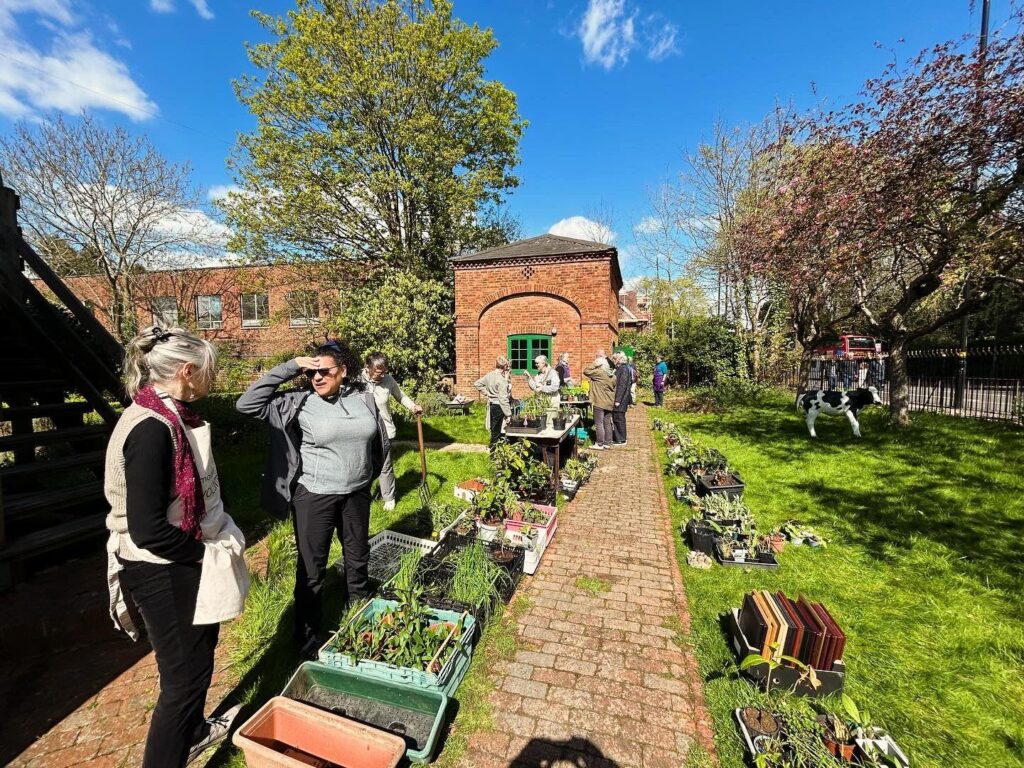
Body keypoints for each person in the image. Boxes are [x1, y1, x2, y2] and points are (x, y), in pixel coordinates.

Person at [105, 326, 247, 768]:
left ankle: (197, 731)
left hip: (180, 558)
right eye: (209, 370)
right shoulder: (149, 430)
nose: (214, 378)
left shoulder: (171, 414)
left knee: (200, 657)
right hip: (161, 569)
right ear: (187, 371)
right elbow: (147, 530)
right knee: (182, 681)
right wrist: (209, 558)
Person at [236, 341, 388, 658]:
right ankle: (306, 637)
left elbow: (378, 440)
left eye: (324, 371)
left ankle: (358, 614)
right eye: (311, 372)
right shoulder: (298, 401)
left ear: (343, 372)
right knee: (311, 569)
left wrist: (368, 475)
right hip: (315, 496)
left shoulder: (364, 398)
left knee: (358, 557)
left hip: (356, 494)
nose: (317, 377)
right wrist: (291, 365)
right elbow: (246, 405)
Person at [362, 352, 423, 512]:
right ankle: (362, 497)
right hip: (361, 432)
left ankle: (388, 498)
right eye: (378, 371)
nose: (382, 374)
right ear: (367, 367)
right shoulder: (357, 381)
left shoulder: (388, 380)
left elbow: (400, 396)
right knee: (363, 466)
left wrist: (412, 406)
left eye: (384, 371)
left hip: (385, 431)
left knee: (385, 465)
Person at [474, 356, 512, 446]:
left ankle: (496, 451)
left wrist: (487, 393)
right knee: (498, 432)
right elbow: (503, 399)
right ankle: (494, 454)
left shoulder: (489, 375)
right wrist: (508, 414)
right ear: (505, 367)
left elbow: (477, 384)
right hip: (499, 407)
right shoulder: (502, 380)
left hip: (492, 405)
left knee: (493, 430)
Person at [583, 354, 616, 450]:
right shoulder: (612, 375)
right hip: (609, 402)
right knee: (607, 422)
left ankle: (599, 443)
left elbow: (586, 371)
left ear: (600, 365)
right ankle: (608, 443)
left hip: (599, 401)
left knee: (599, 423)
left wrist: (594, 364)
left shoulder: (599, 372)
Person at [611, 351, 633, 445]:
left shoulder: (624, 369)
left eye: (615, 358)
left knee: (619, 418)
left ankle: (621, 439)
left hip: (621, 399)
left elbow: (622, 385)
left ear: (620, 359)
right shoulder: (622, 368)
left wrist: (618, 400)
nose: (614, 360)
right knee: (617, 418)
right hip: (621, 398)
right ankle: (618, 437)